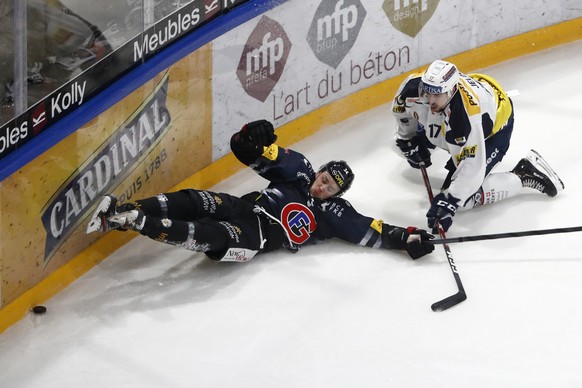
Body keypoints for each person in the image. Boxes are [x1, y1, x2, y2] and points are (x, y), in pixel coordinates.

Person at [87, 119, 435, 262]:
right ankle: (125, 211)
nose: (323, 183)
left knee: (208, 235)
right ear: (321, 170)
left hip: (256, 236)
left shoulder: (333, 214)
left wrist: (405, 238)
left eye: (331, 186)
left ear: (336, 194)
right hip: (245, 206)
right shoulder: (299, 171)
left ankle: (136, 221)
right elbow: (255, 153)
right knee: (196, 199)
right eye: (326, 175)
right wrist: (249, 139)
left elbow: (371, 229)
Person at [391, 59, 564, 233]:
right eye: (428, 91)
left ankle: (524, 173)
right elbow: (401, 113)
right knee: (417, 137)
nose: (430, 100)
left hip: (495, 126)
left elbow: (472, 168)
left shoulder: (465, 120)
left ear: (451, 91)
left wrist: (451, 200)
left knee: (463, 199)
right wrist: (408, 139)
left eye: (437, 95)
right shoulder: (412, 88)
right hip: (479, 93)